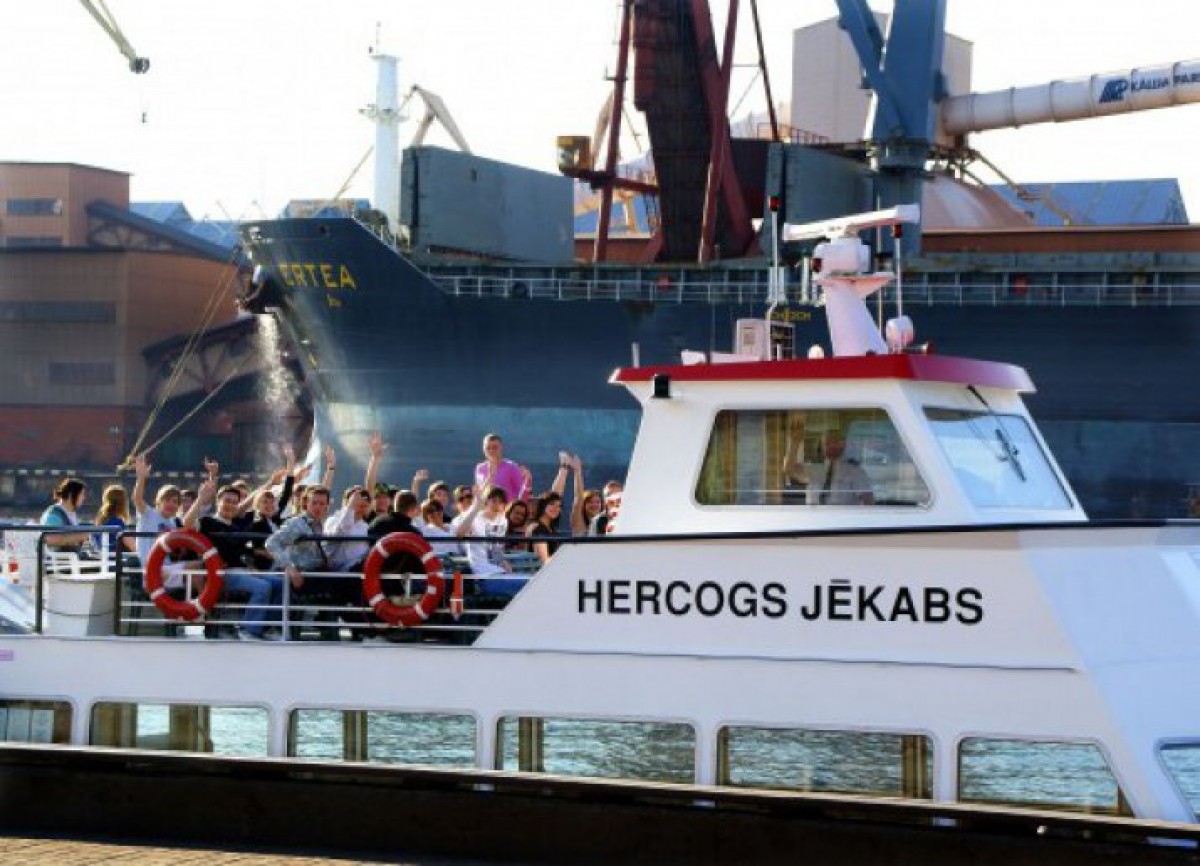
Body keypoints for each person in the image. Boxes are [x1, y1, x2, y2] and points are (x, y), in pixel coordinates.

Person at [186, 482, 284, 641]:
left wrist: (253, 565)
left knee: (281, 583)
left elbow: (242, 552)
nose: (230, 505)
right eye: (227, 501)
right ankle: (249, 630)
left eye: (234, 502)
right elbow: (187, 524)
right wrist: (200, 499)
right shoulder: (207, 522)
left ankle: (266, 626)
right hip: (221, 574)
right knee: (263, 587)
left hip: (243, 571)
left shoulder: (237, 527)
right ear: (218, 502)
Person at [265, 485, 341, 635]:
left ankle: (328, 627)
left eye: (322, 504)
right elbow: (272, 543)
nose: (318, 507)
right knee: (339, 585)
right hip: (301, 575)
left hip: (316, 574)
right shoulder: (297, 523)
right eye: (314, 503)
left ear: (327, 506)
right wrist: (289, 567)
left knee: (345, 582)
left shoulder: (321, 524)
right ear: (306, 503)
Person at [454, 482, 516, 598]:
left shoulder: (503, 521)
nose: (497, 504)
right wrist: (476, 507)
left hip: (500, 571)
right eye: (494, 500)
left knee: (529, 586)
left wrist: (504, 562)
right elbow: (459, 534)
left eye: (501, 501)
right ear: (487, 501)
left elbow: (497, 548)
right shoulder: (475, 518)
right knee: (521, 589)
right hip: (482, 574)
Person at [787, 428, 874, 506]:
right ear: (821, 447)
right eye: (827, 443)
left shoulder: (855, 472)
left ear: (843, 445)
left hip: (841, 518)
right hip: (812, 517)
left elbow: (868, 501)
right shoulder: (815, 468)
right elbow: (790, 470)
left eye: (835, 442)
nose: (831, 445)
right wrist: (794, 443)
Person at [474, 433, 531, 503]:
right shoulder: (479, 468)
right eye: (488, 448)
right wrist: (489, 478)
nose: (491, 451)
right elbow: (481, 495)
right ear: (483, 449)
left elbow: (522, 494)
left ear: (501, 448)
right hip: (487, 509)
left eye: (495, 447)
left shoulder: (512, 467)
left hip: (506, 508)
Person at [40, 478, 90, 551]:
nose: (84, 498)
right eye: (81, 494)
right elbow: (50, 539)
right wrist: (80, 536)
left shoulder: (71, 513)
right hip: (59, 557)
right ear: (70, 495)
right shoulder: (54, 514)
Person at [93, 484, 136, 561]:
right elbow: (134, 547)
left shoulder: (99, 522)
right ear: (123, 503)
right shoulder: (117, 523)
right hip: (116, 563)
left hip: (103, 561)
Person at [529, 491, 565, 565]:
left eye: (559, 506)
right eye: (551, 504)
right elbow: (545, 560)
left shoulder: (551, 529)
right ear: (543, 505)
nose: (556, 508)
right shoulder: (538, 528)